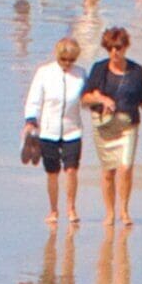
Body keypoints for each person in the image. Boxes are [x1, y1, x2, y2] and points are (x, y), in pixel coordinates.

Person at [81, 25, 142, 228]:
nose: (115, 52)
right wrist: (102, 98)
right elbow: (85, 98)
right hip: (104, 126)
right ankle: (109, 213)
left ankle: (124, 211)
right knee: (108, 171)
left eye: (118, 47)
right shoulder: (99, 69)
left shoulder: (136, 71)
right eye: (111, 48)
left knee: (125, 168)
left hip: (128, 125)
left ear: (126, 47)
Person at [21, 33, 89, 226]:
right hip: (48, 131)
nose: (67, 63)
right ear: (57, 56)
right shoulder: (44, 73)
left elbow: (86, 100)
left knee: (71, 170)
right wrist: (30, 120)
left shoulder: (81, 74)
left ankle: (71, 208)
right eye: (63, 59)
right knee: (52, 173)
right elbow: (34, 99)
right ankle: (53, 210)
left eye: (71, 60)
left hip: (73, 130)